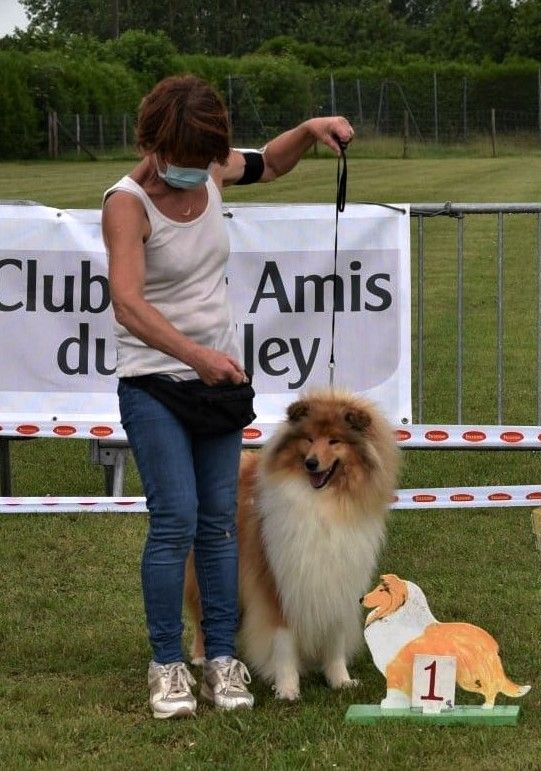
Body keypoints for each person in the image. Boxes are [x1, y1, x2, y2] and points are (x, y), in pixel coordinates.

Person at [101, 74, 354, 719]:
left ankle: (221, 657)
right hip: (155, 383)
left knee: (218, 523)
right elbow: (127, 303)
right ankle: (166, 665)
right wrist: (197, 356)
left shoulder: (212, 169)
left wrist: (308, 131)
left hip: (215, 387)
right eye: (188, 160)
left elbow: (268, 163)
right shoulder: (126, 204)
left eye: (209, 158)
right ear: (158, 146)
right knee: (177, 520)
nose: (201, 170)